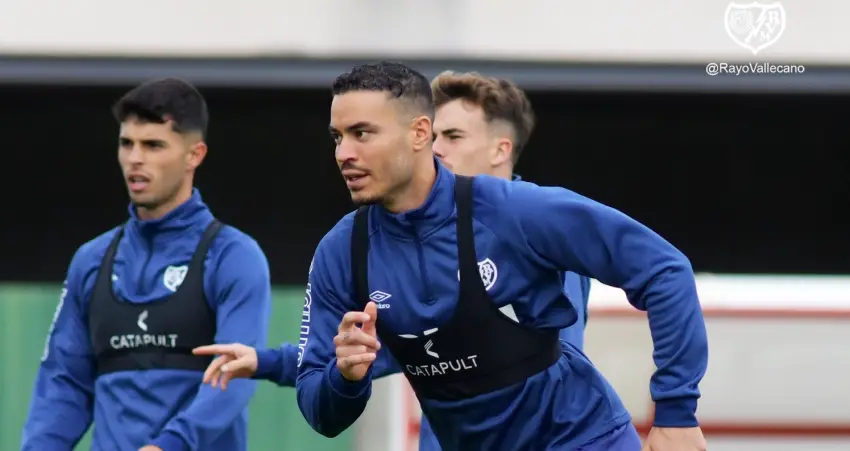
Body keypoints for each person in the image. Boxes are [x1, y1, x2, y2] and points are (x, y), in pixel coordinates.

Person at [295, 61, 707, 450]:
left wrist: (676, 415)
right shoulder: (341, 253)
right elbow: (319, 409)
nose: (343, 153)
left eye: (362, 133)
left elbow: (663, 270)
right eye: (337, 136)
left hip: (581, 439)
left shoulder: (514, 212)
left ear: (420, 133)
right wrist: (345, 377)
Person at [192, 71, 593, 450]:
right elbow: (375, 352)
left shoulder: (540, 233)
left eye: (452, 136)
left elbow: (558, 363)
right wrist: (265, 360)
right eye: (433, 135)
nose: (436, 148)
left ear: (500, 149)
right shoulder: (392, 240)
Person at [21, 78, 271, 451]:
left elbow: (233, 379)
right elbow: (65, 383)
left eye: (153, 145)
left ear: (194, 155)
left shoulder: (233, 256)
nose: (136, 159)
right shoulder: (91, 260)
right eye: (127, 144)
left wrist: (167, 446)